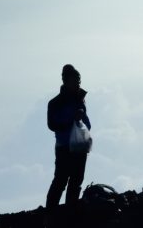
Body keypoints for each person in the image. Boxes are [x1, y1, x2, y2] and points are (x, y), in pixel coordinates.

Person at [45, 64, 91, 225]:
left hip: (79, 146)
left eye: (79, 79)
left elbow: (87, 124)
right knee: (61, 180)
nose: (78, 82)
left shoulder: (80, 100)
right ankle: (50, 215)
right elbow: (52, 124)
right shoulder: (55, 103)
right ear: (66, 80)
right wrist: (71, 120)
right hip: (64, 146)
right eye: (75, 79)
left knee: (76, 180)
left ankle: (70, 212)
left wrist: (81, 117)